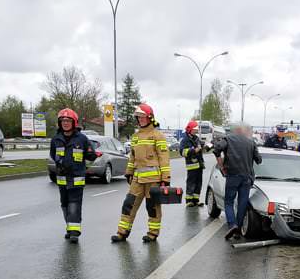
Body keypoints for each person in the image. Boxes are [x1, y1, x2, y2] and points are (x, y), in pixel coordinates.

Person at [111, 103, 170, 243]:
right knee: (128, 204)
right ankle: (122, 232)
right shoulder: (136, 137)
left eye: (143, 117)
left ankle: (153, 233)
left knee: (152, 207)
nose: (141, 119)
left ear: (150, 118)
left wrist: (165, 178)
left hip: (154, 180)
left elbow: (164, 158)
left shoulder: (158, 136)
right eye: (139, 117)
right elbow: (132, 156)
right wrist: (129, 172)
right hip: (137, 179)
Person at [50, 108, 97, 243]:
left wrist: (89, 157)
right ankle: (69, 228)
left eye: (68, 121)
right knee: (64, 204)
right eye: (63, 121)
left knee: (74, 204)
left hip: (77, 178)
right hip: (62, 178)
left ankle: (75, 232)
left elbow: (90, 154)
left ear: (74, 122)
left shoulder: (81, 139)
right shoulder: (56, 139)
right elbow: (53, 155)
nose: (65, 123)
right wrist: (60, 164)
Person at [214, 123, 261, 240]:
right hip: (247, 178)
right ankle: (237, 230)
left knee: (229, 202)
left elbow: (216, 150)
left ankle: (232, 225)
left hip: (233, 176)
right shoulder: (251, 142)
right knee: (242, 203)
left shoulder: (228, 139)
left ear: (235, 131)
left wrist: (221, 166)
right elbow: (259, 160)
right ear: (244, 131)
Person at [179, 120, 205, 207]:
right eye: (194, 129)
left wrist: (206, 146)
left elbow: (200, 146)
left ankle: (196, 200)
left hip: (199, 165)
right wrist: (193, 150)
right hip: (192, 165)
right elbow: (182, 152)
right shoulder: (185, 140)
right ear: (189, 129)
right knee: (191, 182)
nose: (196, 131)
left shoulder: (196, 138)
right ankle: (189, 200)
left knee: (199, 183)